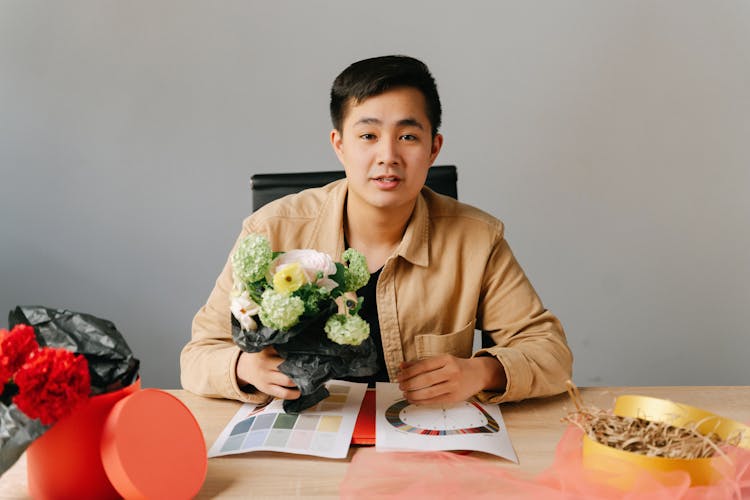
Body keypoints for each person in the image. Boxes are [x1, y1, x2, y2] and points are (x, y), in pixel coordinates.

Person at [180, 55, 572, 407]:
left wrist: (482, 372)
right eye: (368, 136)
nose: (388, 156)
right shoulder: (272, 228)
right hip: (306, 441)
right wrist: (245, 368)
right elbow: (198, 355)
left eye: (408, 136)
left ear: (433, 149)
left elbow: (550, 352)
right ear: (339, 145)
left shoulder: (477, 238)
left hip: (424, 440)